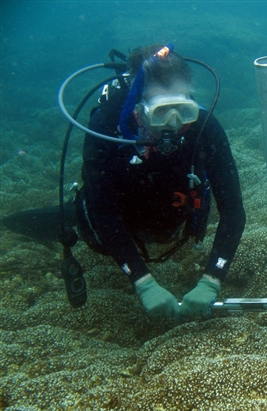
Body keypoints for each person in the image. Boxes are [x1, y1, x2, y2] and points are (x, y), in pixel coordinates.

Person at [74, 43, 246, 319]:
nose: (174, 124)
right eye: (162, 112)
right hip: (123, 217)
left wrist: (212, 278)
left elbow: (233, 210)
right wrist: (143, 282)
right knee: (90, 221)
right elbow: (101, 210)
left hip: (177, 214)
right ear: (138, 109)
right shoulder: (107, 127)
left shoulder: (205, 127)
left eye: (183, 110)